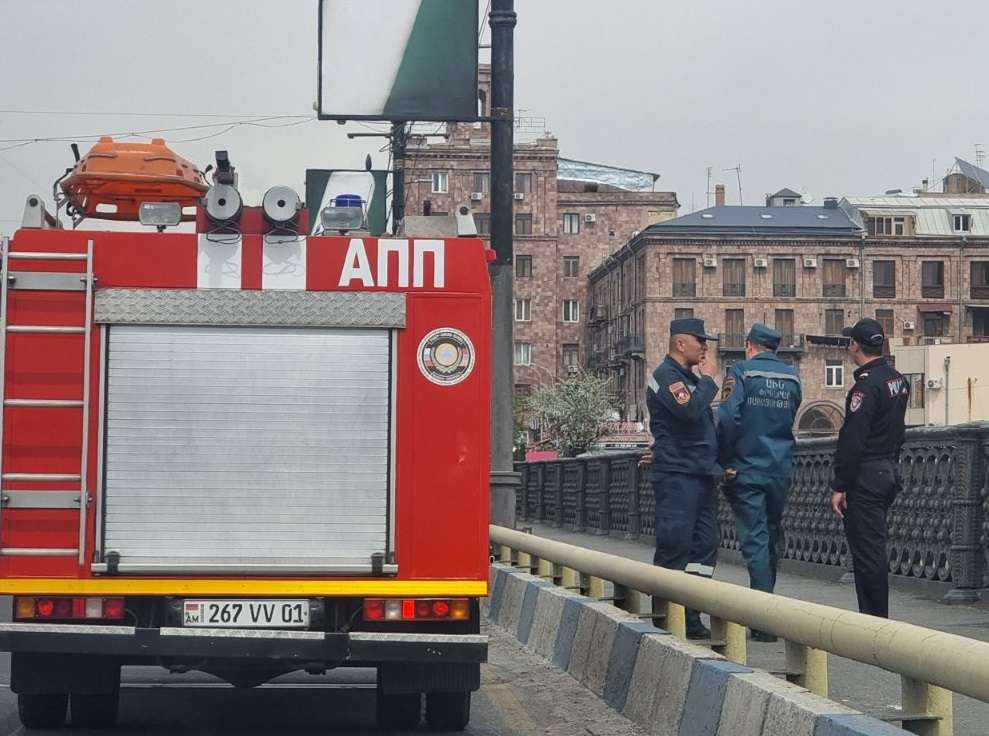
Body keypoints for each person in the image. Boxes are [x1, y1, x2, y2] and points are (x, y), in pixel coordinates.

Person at [716, 323, 801, 641]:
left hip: (747, 468)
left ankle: (763, 621)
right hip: (779, 467)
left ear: (749, 345)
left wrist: (726, 460)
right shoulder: (792, 376)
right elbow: (790, 416)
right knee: (772, 535)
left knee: (754, 540)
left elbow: (727, 418)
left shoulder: (740, 372)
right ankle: (766, 607)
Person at [645, 317, 720, 639]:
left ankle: (690, 615)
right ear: (680, 343)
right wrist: (709, 380)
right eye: (699, 341)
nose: (704, 347)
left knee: (705, 547)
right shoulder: (666, 376)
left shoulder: (688, 379)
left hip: (701, 473)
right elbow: (688, 413)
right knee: (675, 545)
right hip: (677, 475)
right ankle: (666, 617)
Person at [831, 318, 909, 618]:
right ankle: (875, 618)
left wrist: (840, 484)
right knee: (873, 547)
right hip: (888, 469)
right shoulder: (898, 380)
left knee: (867, 554)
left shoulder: (865, 387)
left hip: (866, 476)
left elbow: (853, 440)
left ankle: (874, 622)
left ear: (855, 346)